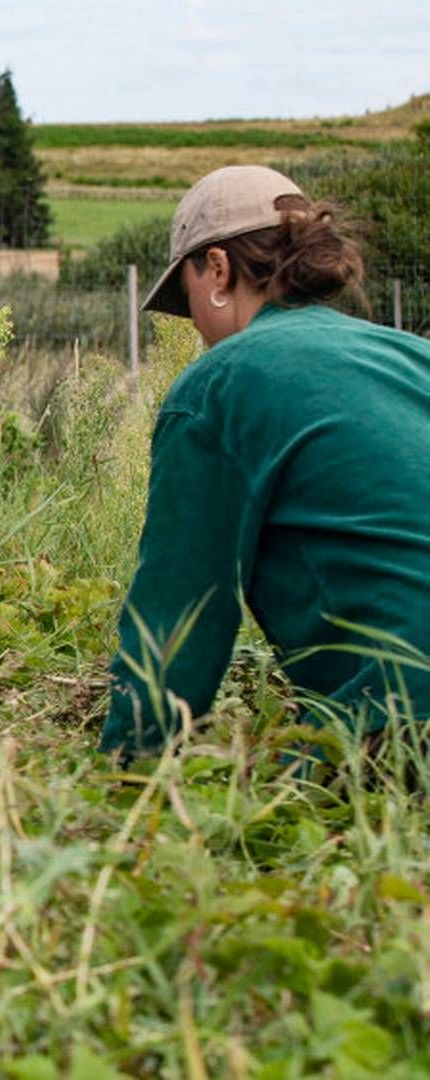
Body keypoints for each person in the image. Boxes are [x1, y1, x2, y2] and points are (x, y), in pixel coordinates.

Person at [100, 165, 430, 760]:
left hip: (406, 722)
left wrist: (126, 773)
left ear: (219, 269)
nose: (197, 323)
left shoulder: (217, 387)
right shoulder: (412, 356)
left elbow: (178, 624)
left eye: (190, 294)